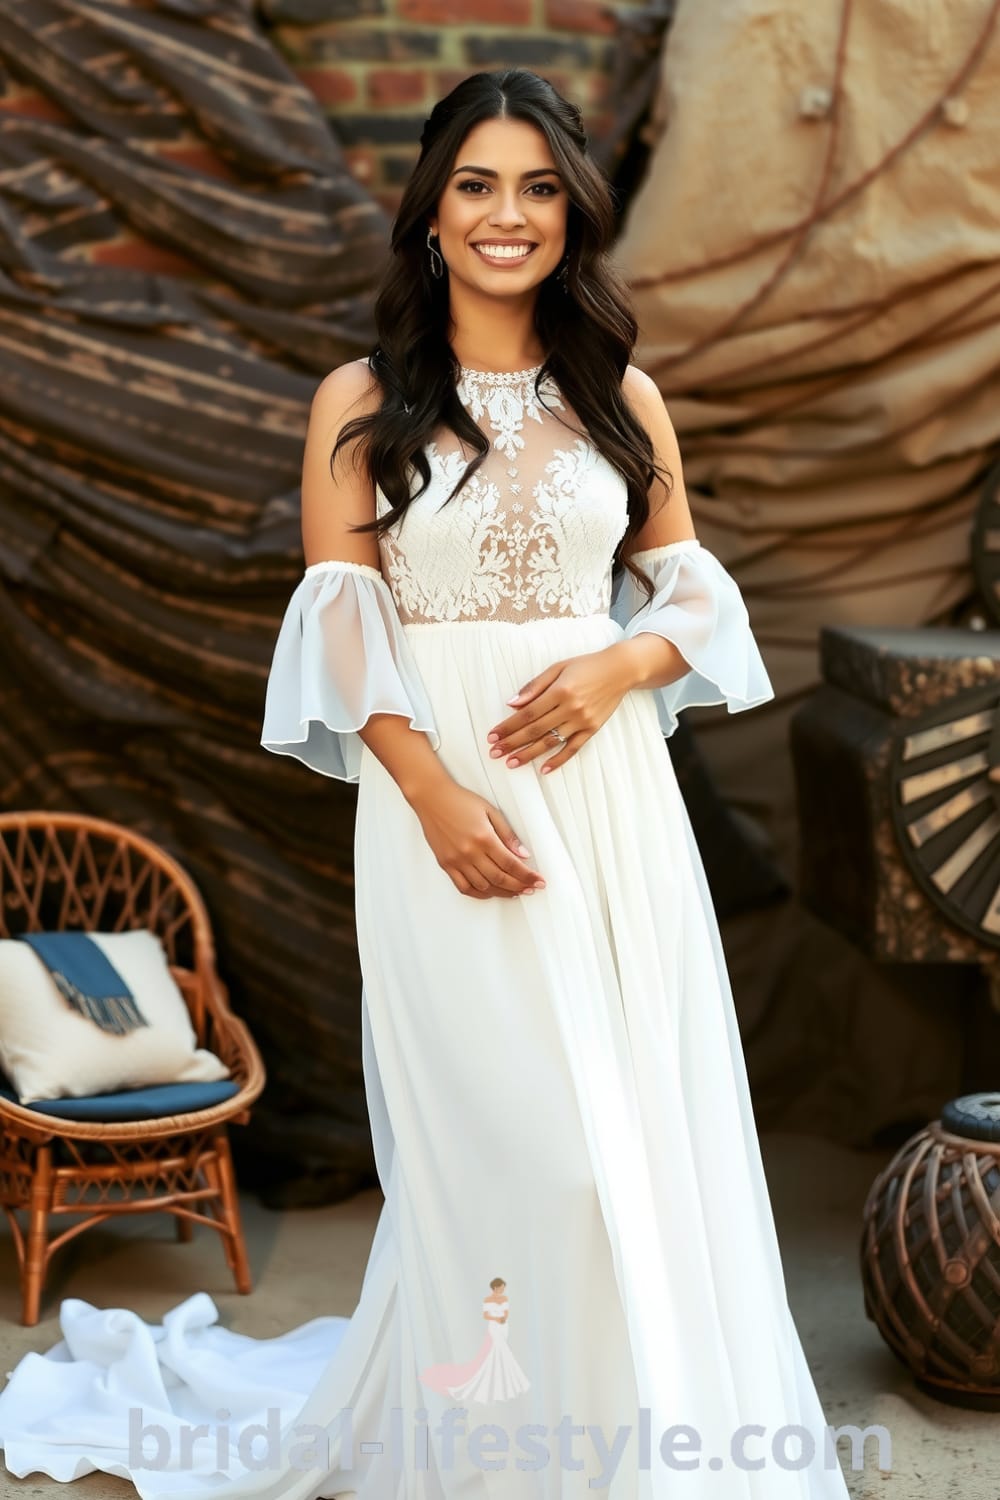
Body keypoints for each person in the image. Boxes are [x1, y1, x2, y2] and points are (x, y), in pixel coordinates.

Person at [0, 68, 853, 1500]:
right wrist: (435, 796)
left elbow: (695, 597)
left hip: (610, 806)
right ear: (432, 216)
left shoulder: (620, 396)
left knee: (626, 1140)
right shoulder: (361, 398)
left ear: (571, 218)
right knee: (512, 1148)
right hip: (440, 807)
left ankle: (633, 1448)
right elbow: (340, 627)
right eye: (475, 185)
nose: (507, 215)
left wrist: (616, 669)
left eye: (536, 188)